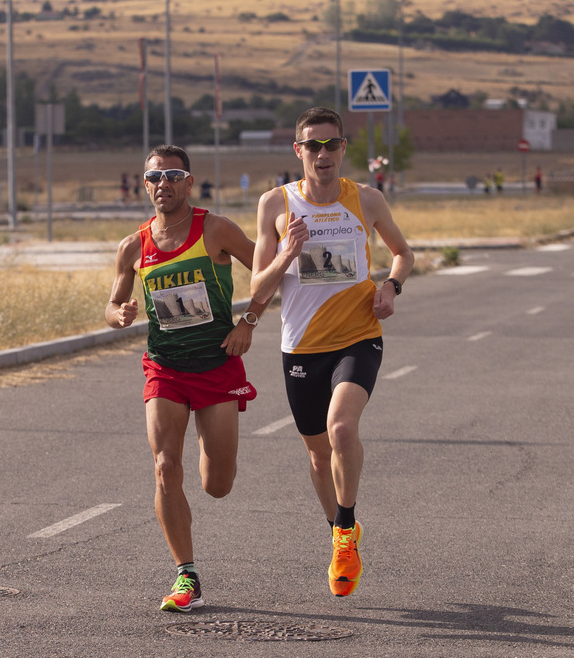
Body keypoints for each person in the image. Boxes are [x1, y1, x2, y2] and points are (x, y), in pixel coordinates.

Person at [251, 107, 414, 598]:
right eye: (312, 146)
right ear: (298, 151)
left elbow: (404, 254)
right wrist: (285, 251)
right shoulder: (274, 205)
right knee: (319, 457)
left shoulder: (366, 199)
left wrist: (391, 287)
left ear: (344, 147)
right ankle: (340, 533)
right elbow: (257, 288)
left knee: (343, 427)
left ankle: (346, 530)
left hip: (359, 336)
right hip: (301, 345)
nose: (323, 154)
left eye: (332, 145)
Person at [105, 144, 270, 612]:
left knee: (218, 483)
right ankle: (187, 575)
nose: (164, 184)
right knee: (164, 466)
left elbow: (268, 272)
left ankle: (208, 441)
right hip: (166, 366)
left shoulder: (214, 228)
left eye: (174, 175)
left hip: (217, 363)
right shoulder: (133, 246)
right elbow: (111, 305)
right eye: (155, 177)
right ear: (145, 184)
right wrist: (119, 314)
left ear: (189, 182)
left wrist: (249, 321)